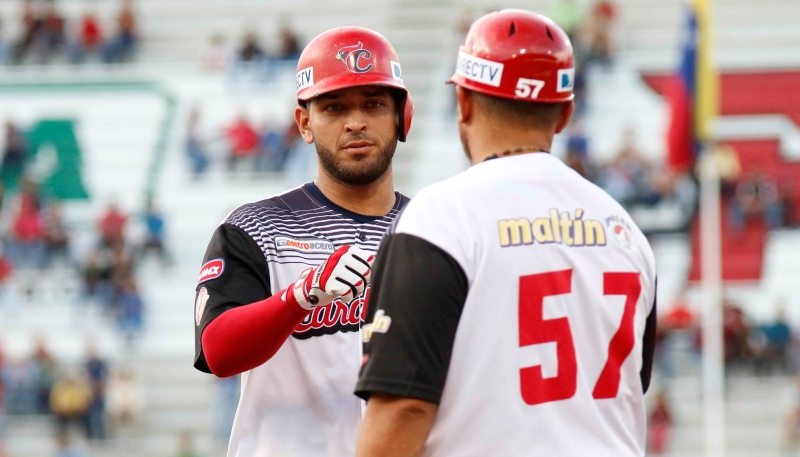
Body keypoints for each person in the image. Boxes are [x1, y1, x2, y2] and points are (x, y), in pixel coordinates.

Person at [355, 9, 657, 457]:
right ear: (564, 113)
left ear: (465, 103)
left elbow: (404, 406)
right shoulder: (625, 230)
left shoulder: (442, 216)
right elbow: (634, 381)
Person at [193, 26, 414, 457]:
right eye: (333, 107)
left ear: (402, 116)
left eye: (373, 103)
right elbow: (218, 351)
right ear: (304, 122)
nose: (355, 122)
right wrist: (300, 295)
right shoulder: (256, 226)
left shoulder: (433, 228)